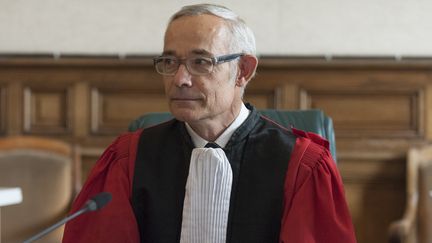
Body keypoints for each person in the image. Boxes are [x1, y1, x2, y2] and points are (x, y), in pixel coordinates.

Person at [63, 3, 356, 243]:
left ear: (243, 70)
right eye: (170, 62)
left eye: (200, 62)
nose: (180, 79)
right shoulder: (128, 158)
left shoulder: (302, 165)